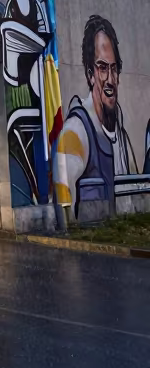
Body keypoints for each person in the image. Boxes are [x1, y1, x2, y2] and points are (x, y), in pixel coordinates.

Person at [53, 14, 137, 222]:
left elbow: (135, 195)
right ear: (90, 74)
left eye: (114, 68)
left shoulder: (121, 137)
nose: (110, 79)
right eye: (102, 68)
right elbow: (63, 211)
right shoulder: (76, 131)